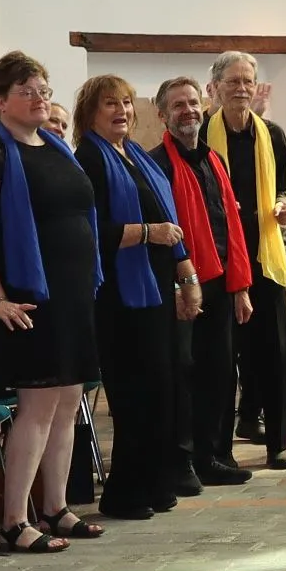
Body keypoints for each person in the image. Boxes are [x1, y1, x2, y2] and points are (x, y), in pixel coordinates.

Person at [0, 53, 104, 553]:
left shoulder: (57, 147)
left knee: (68, 404)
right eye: (27, 91)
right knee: (36, 408)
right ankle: (15, 520)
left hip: (70, 295)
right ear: (0, 101)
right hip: (26, 301)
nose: (40, 98)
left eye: (43, 89)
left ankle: (56, 508)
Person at [75, 75, 205, 520]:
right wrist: (149, 234)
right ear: (90, 112)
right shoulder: (89, 158)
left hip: (154, 288)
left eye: (127, 103)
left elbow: (167, 220)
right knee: (134, 394)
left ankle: (152, 481)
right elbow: (93, 233)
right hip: (118, 296)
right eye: (111, 104)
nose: (122, 111)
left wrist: (186, 272)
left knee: (160, 389)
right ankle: (124, 492)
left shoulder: (131, 155)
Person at [150, 78, 257, 487]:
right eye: (177, 105)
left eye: (193, 102)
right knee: (183, 374)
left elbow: (230, 223)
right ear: (162, 114)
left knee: (219, 373)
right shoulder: (156, 163)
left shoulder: (215, 160)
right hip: (182, 284)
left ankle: (214, 455)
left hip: (221, 280)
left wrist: (241, 286)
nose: (188, 110)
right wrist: (182, 282)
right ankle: (183, 462)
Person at [208, 50, 286, 470]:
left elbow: (281, 187)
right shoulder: (203, 136)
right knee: (223, 357)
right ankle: (220, 450)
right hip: (222, 261)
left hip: (264, 258)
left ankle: (277, 444)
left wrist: (282, 206)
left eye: (247, 81)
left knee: (276, 353)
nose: (241, 89)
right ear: (215, 88)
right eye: (233, 81)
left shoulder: (272, 134)